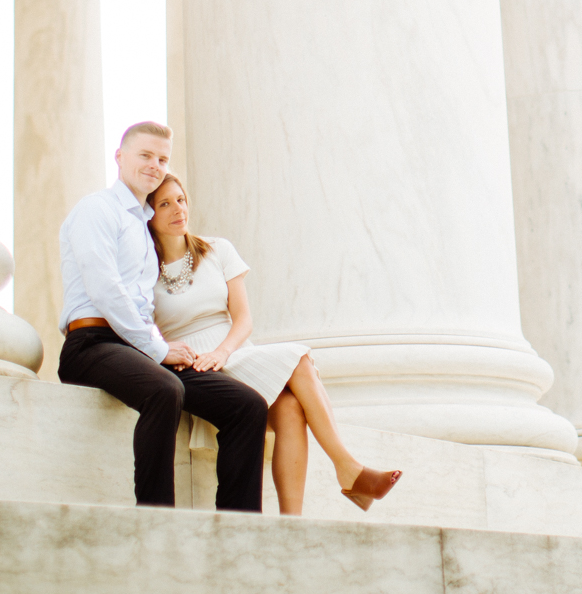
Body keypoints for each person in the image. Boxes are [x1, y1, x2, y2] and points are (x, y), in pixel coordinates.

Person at [148, 173, 402, 515]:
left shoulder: (217, 249)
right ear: (148, 214)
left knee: (293, 396)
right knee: (294, 380)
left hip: (232, 349)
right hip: (192, 366)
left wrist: (223, 352)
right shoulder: (144, 270)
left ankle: (293, 520)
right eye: (165, 203)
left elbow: (243, 319)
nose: (178, 209)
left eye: (181, 199)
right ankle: (348, 470)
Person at [57, 121, 268, 512]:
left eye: (162, 158)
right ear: (120, 157)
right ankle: (156, 518)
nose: (154, 165)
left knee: (248, 406)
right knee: (165, 389)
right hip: (91, 344)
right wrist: (157, 347)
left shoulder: (143, 226)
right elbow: (105, 290)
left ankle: (239, 527)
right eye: (145, 155)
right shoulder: (96, 209)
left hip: (133, 348)